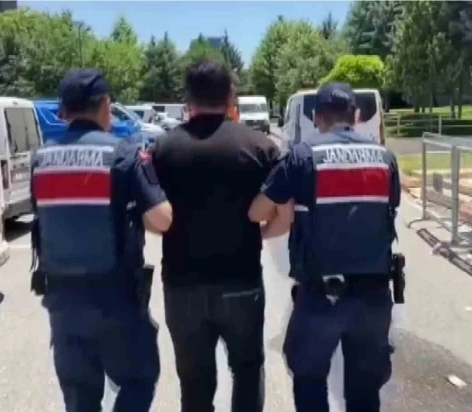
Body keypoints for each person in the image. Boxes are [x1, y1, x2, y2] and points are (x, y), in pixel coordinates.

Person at [248, 82, 402, 412]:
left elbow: (258, 210)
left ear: (317, 117)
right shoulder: (385, 159)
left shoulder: (303, 157)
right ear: (356, 116)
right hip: (374, 296)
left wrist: (282, 213)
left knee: (309, 379)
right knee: (365, 390)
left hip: (320, 297)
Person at [29, 68, 172, 412]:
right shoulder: (122, 154)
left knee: (80, 396)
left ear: (63, 110)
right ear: (105, 104)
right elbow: (162, 219)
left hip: (61, 300)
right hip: (115, 298)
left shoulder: (41, 159)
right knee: (139, 378)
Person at [152, 58, 279, 412]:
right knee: (247, 371)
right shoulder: (260, 147)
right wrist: (263, 231)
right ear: (230, 97)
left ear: (188, 99)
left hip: (182, 286)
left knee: (194, 383)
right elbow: (282, 211)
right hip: (241, 282)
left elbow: (151, 217)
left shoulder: (163, 150)